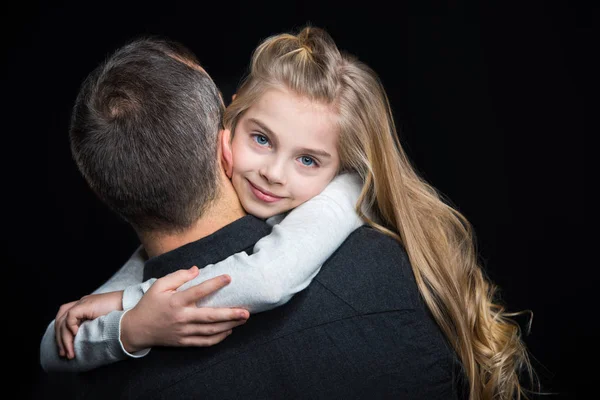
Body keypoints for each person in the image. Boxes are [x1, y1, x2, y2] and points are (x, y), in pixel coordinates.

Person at [46, 25, 535, 400]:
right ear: (227, 122)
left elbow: (269, 277)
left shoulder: (342, 198)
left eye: (308, 160)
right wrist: (125, 323)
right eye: (261, 139)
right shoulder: (175, 225)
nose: (274, 174)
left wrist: (132, 310)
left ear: (341, 165)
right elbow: (55, 345)